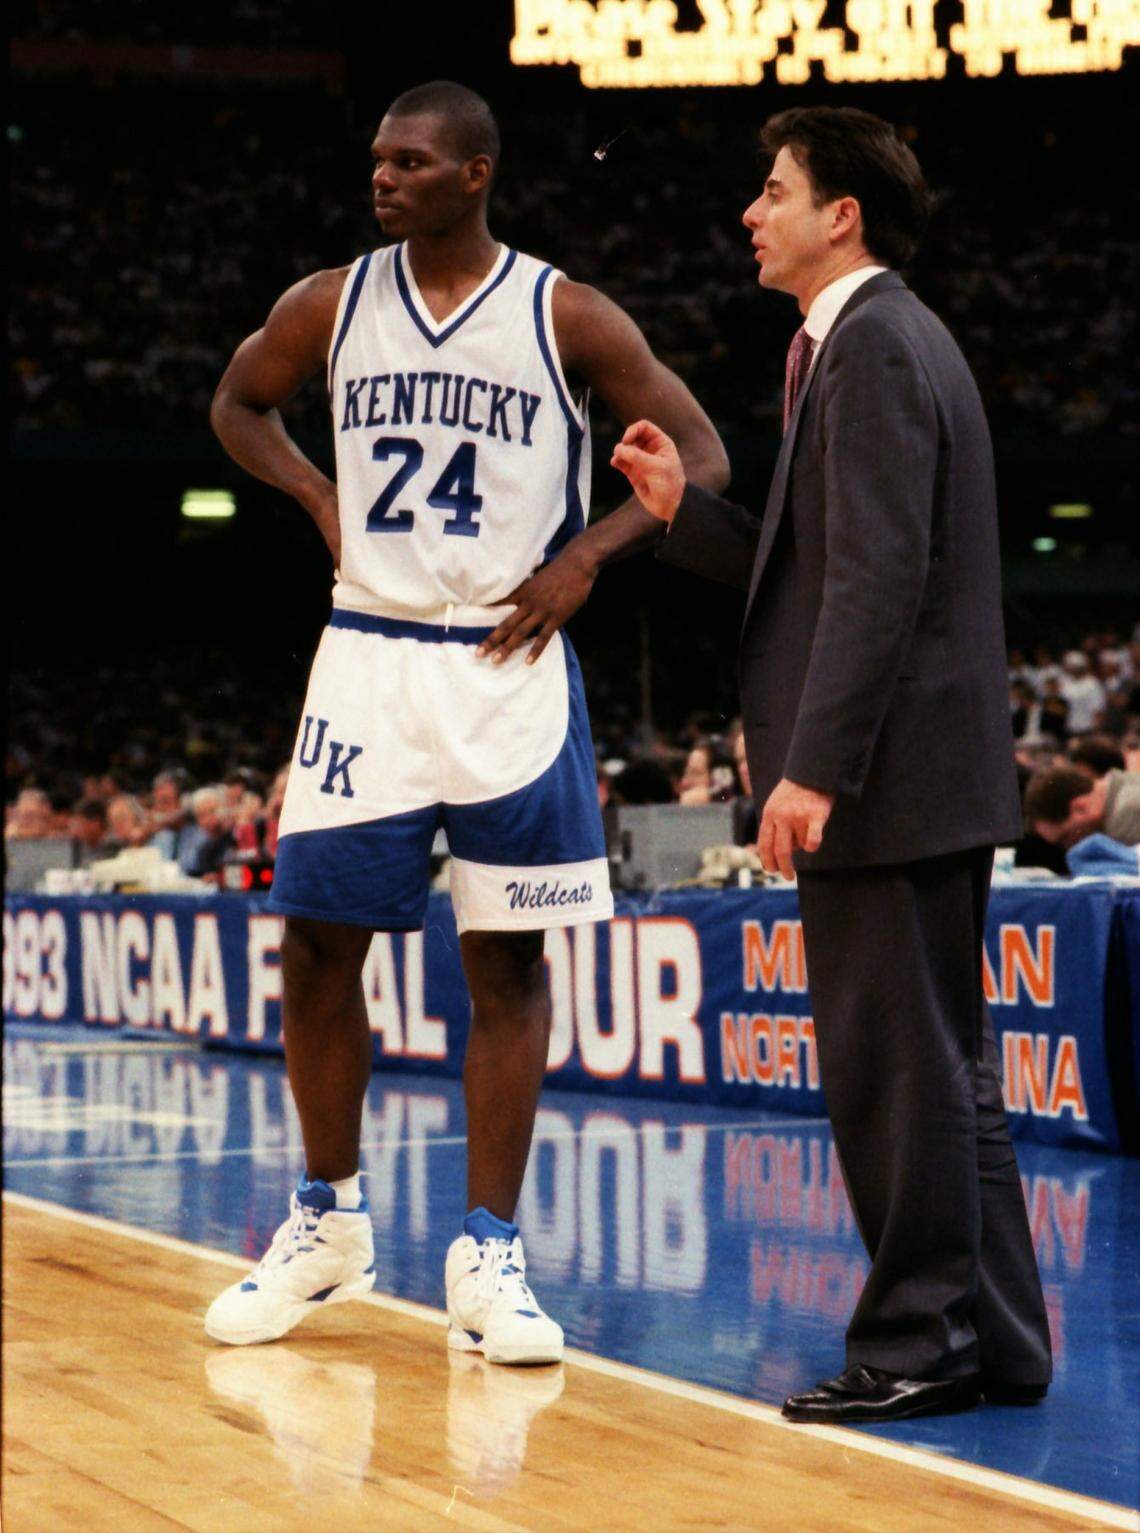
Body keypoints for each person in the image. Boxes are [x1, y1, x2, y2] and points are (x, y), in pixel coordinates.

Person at [204, 80, 727, 1361]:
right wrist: (320, 495)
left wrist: (588, 558)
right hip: (370, 659)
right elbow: (234, 404)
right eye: (377, 158)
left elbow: (702, 461)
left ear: (477, 173)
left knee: (507, 962)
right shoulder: (329, 303)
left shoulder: (567, 315)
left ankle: (489, 1251)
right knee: (319, 949)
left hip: (507, 663)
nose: (382, 177)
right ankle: (327, 1223)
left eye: (411, 162)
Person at [612, 105, 1051, 1423]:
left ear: (838, 215)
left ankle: (920, 1341)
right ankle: (998, 1340)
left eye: (774, 189)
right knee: (941, 1068)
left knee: (893, 1070)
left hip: (887, 775)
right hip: (917, 770)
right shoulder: (869, 347)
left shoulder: (871, 350)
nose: (753, 212)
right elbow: (822, 564)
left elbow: (875, 580)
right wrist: (687, 519)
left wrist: (813, 766)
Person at [1024, 764, 1140, 851]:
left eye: (1065, 837)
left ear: (1081, 807)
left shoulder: (1124, 818)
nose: (1070, 848)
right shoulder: (1125, 783)